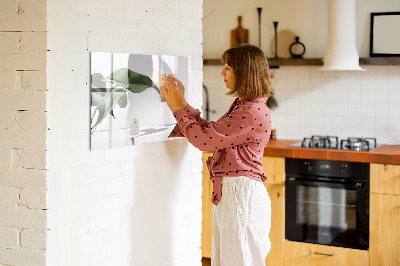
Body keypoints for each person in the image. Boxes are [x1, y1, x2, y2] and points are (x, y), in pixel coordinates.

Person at [161, 44, 273, 266]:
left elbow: (204, 141)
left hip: (241, 195)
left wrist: (176, 108)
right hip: (236, 193)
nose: (222, 72)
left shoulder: (250, 111)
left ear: (244, 72)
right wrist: (182, 103)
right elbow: (212, 133)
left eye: (228, 67)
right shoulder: (246, 106)